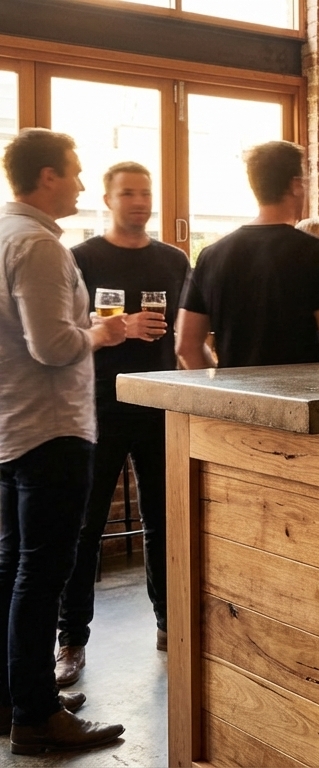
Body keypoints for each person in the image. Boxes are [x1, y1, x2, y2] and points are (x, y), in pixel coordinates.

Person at [0, 128, 125, 753]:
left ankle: (17, 694)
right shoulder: (38, 245)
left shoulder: (4, 233)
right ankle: (36, 717)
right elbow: (51, 346)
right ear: (46, 176)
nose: (80, 184)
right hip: (50, 427)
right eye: (74, 173)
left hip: (11, 426)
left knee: (14, 569)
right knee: (40, 574)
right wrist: (104, 333)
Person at [55, 162, 189, 688]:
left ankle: (169, 626)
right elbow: (62, 326)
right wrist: (116, 327)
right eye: (128, 192)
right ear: (108, 199)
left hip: (160, 407)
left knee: (165, 521)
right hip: (98, 406)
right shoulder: (81, 257)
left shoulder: (174, 260)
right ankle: (71, 640)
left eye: (146, 192)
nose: (139, 200)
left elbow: (191, 326)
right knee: (85, 527)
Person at [175, 141, 319, 369]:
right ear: (296, 186)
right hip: (298, 398)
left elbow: (186, 346)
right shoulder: (317, 252)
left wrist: (218, 387)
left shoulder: (211, 255)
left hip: (234, 397)